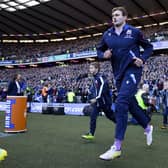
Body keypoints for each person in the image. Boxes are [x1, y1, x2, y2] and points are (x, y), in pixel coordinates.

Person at [97, 6, 153, 160]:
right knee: (130, 104)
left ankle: (117, 146)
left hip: (133, 70)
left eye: (117, 15)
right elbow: (98, 50)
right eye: (112, 15)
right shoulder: (107, 34)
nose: (114, 17)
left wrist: (142, 59)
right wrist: (103, 54)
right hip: (118, 75)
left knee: (121, 102)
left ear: (125, 17)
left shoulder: (134, 32)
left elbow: (149, 47)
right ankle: (148, 127)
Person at [81, 62, 116, 140]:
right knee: (93, 116)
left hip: (105, 102)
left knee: (110, 116)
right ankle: (91, 134)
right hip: (98, 102)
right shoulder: (95, 78)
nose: (90, 69)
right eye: (90, 68)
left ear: (97, 69)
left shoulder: (100, 77)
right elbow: (95, 89)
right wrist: (90, 93)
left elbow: (103, 89)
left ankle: (120, 123)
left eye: (92, 68)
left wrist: (96, 98)